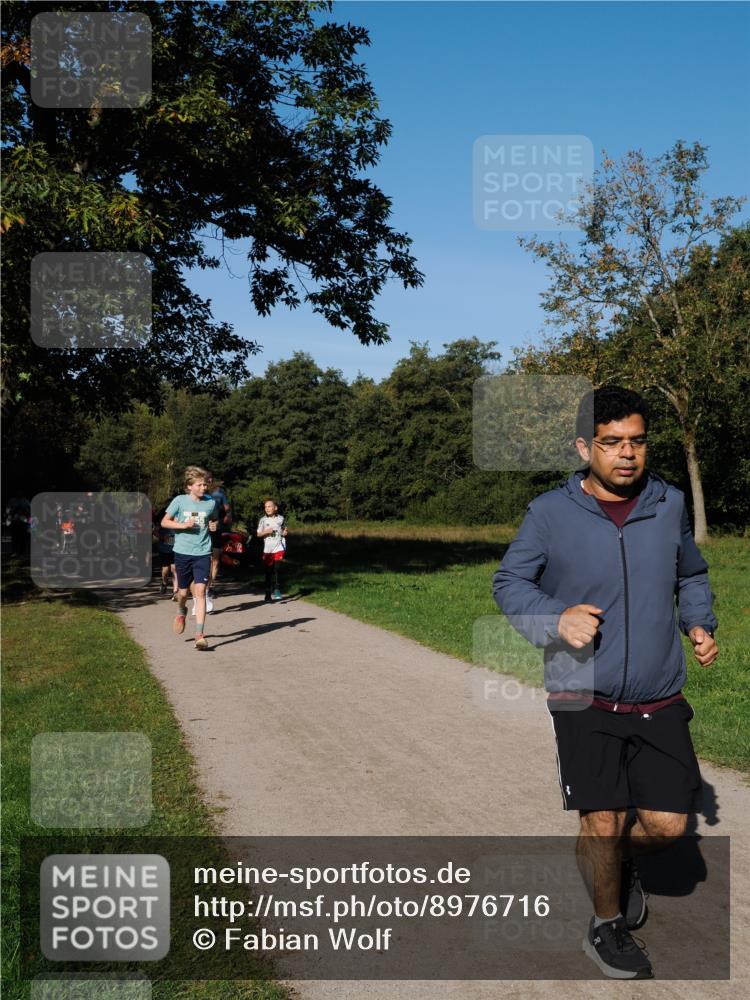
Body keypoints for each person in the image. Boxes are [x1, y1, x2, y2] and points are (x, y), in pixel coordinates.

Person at [492, 386, 718, 981]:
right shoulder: (550, 512)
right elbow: (510, 583)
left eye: (636, 441)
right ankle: (606, 925)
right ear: (583, 447)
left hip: (657, 691)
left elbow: (691, 574)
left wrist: (698, 621)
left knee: (667, 827)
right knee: (602, 819)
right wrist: (555, 618)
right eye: (612, 442)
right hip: (579, 687)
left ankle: (616, 864)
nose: (627, 453)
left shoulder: (668, 504)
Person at [161, 467, 218, 651]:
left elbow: (213, 519)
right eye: (199, 485)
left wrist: (213, 525)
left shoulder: (210, 502)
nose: (204, 487)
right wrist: (183, 525)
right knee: (183, 593)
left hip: (203, 552)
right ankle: (181, 610)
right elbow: (164, 521)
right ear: (189, 486)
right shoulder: (180, 501)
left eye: (205, 484)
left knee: (200, 592)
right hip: (183, 552)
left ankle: (199, 635)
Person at [203, 474, 232, 599]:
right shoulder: (200, 492)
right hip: (201, 528)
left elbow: (227, 507)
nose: (209, 482)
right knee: (203, 560)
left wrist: (228, 515)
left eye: (211, 480)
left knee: (215, 560)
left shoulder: (219, 492)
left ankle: (209, 587)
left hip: (216, 527)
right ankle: (199, 585)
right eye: (206, 480)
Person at [257, 498, 288, 601]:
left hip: (278, 546)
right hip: (268, 549)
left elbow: (283, 530)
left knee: (277, 568)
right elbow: (258, 534)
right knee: (268, 571)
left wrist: (285, 533)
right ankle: (267, 593)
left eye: (269, 506)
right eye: (265, 507)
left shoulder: (281, 518)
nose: (267, 508)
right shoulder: (263, 520)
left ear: (275, 508)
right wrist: (266, 532)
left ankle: (277, 589)